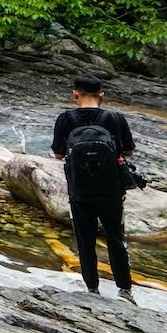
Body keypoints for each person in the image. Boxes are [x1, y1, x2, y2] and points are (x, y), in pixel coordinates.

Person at [51, 75, 136, 303]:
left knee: (84, 240)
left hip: (79, 190)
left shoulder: (65, 119)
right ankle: (125, 291)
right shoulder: (115, 118)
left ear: (75, 94)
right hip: (112, 190)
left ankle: (92, 290)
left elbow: (58, 154)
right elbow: (127, 152)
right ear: (102, 95)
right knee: (115, 238)